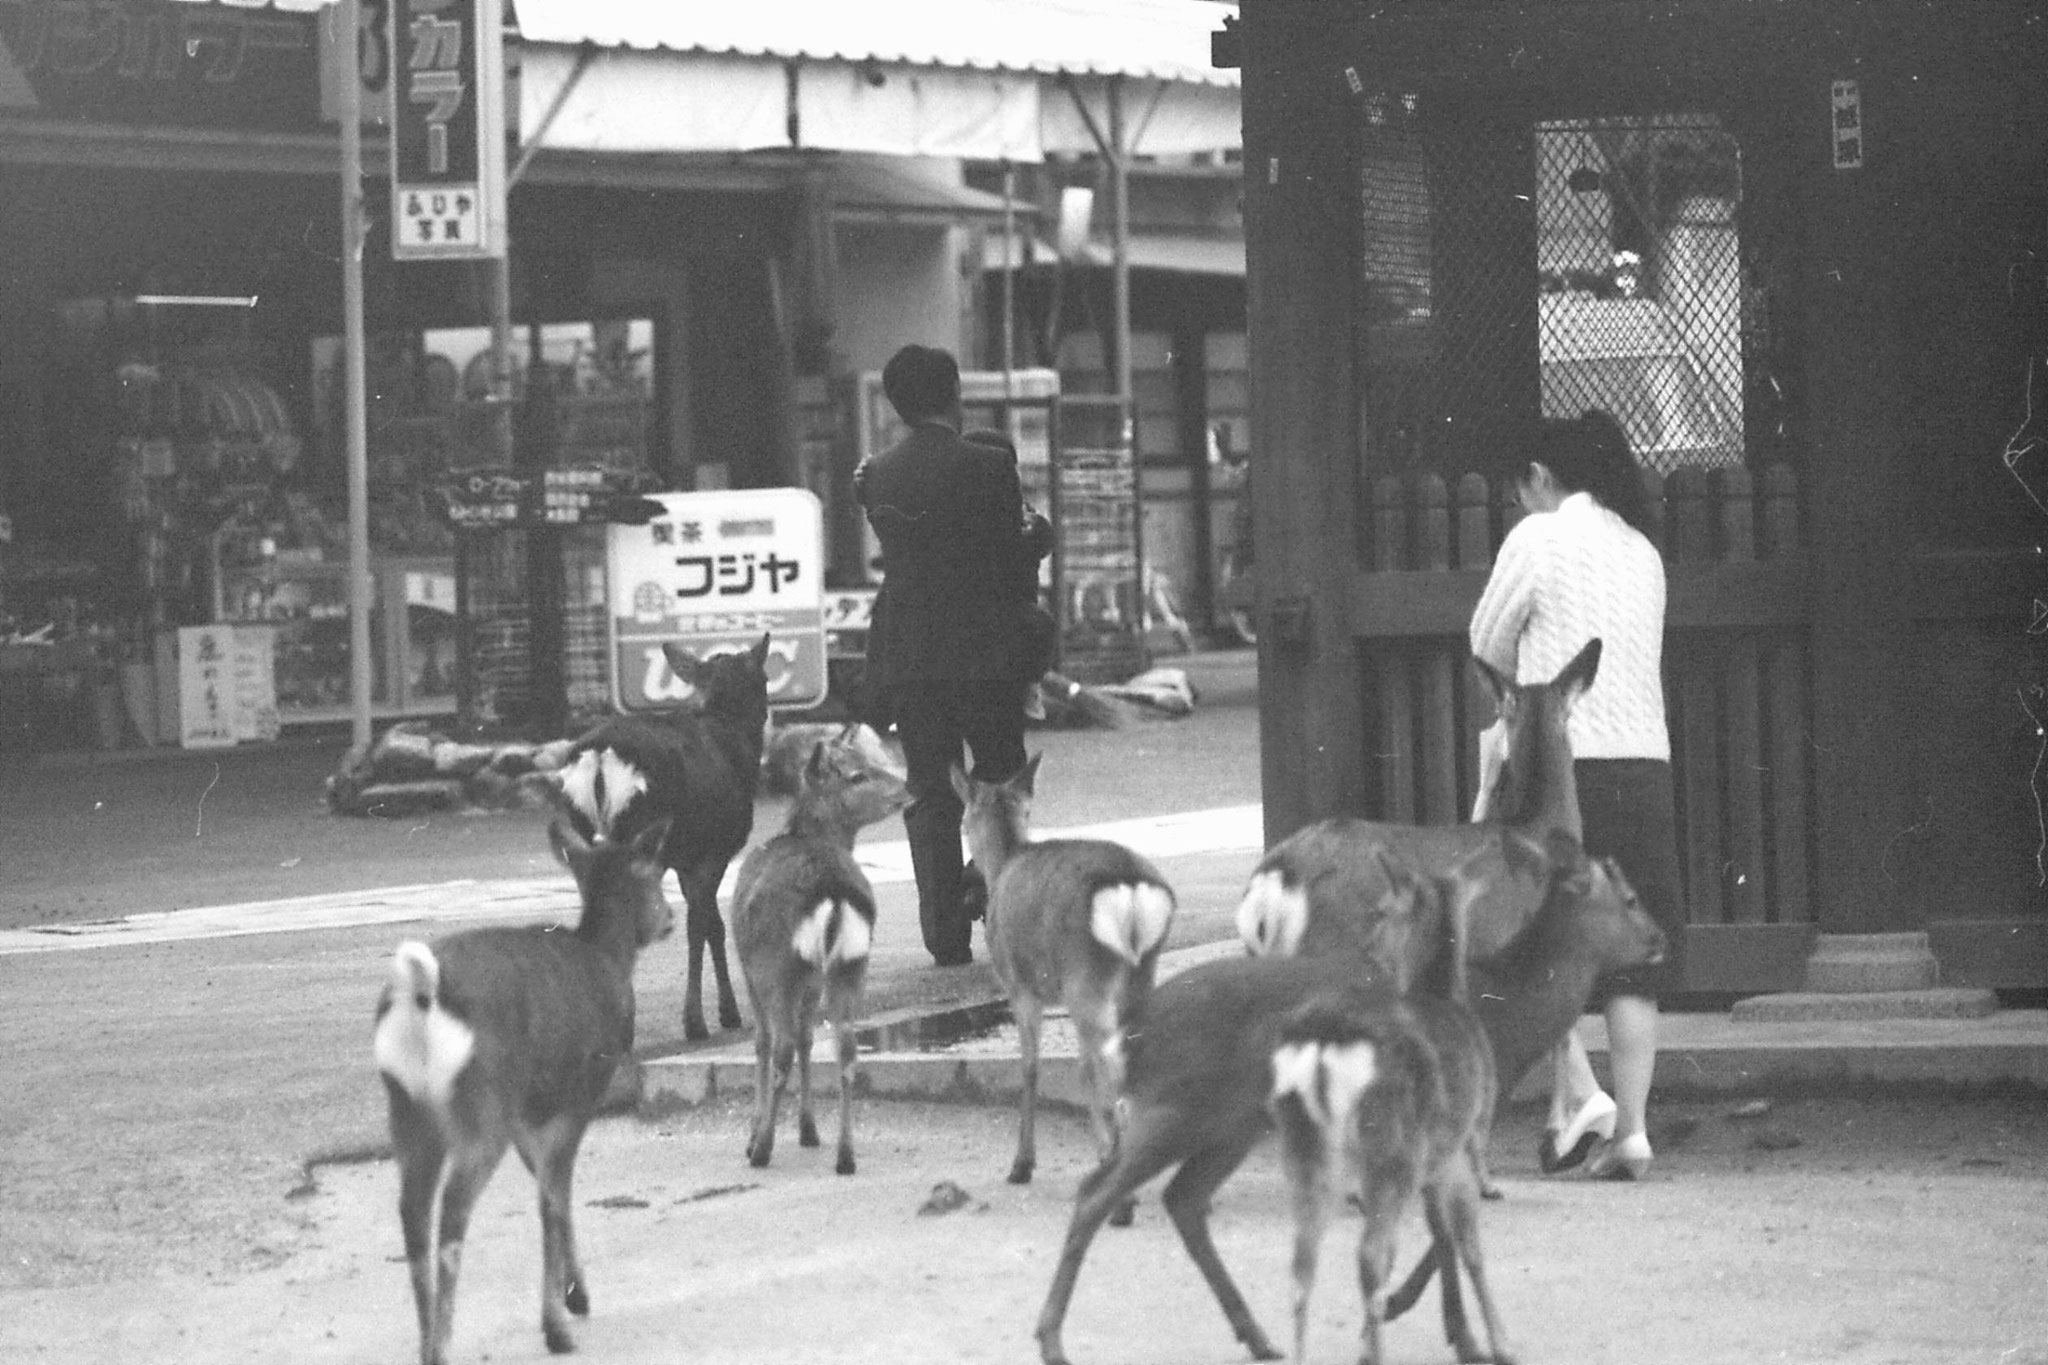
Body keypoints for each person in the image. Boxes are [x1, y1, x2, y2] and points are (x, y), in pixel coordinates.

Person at [1467, 409, 1683, 1181]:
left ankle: (1582, 1093)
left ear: (1541, 477)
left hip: (1563, 772)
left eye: (1520, 487)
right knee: (1629, 959)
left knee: (1533, 947)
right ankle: (1631, 1130)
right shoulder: (1644, 552)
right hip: (1645, 764)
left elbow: (1485, 640)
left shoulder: (1539, 537)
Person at [856, 345, 1049, 966]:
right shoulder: (990, 466)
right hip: (985, 651)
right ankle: (999, 904)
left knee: (931, 790)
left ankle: (943, 934)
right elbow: (1010, 559)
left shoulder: (876, 473)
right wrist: (1040, 537)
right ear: (955, 391)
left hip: (912, 653)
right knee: (998, 779)